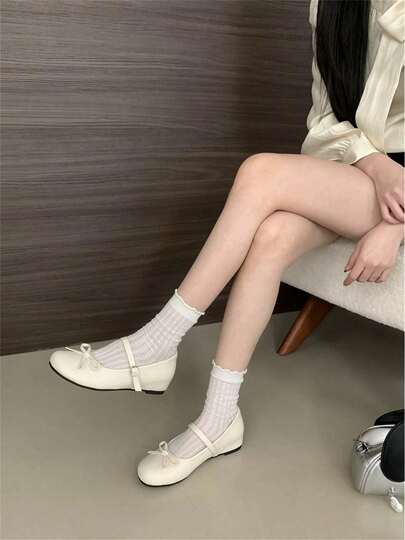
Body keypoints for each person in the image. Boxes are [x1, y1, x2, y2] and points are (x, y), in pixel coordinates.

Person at [50, 0, 404, 486]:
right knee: (272, 235)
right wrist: (377, 167)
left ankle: (156, 344)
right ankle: (219, 419)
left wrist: (395, 226)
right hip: (362, 175)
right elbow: (325, 122)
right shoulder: (332, 6)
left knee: (260, 173)